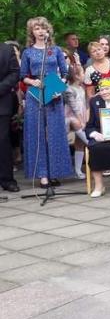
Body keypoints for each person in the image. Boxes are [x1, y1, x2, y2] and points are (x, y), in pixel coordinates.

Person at [20, 17, 73, 186]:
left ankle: (55, 172)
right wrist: (31, 81)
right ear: (32, 32)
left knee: (55, 132)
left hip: (53, 92)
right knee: (36, 133)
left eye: (43, 28)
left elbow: (65, 73)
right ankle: (42, 173)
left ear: (48, 30)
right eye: (37, 28)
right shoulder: (27, 52)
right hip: (34, 93)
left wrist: (59, 87)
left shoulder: (56, 50)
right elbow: (22, 76)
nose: (40, 31)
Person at [0, 41, 20, 192]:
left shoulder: (7, 50)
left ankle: (7, 179)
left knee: (3, 142)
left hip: (2, 103)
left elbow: (15, 73)